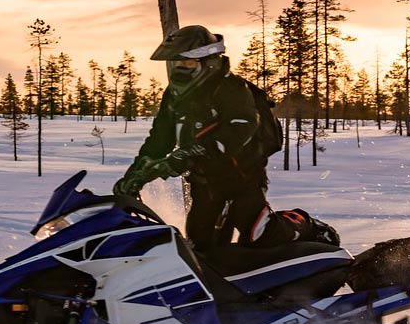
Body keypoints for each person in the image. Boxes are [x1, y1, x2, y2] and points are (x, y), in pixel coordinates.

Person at [113, 25, 338, 252]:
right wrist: (135, 176)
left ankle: (306, 224)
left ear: (208, 62)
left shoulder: (231, 88)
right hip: (203, 181)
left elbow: (241, 128)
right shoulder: (173, 96)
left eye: (188, 64)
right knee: (201, 247)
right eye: (176, 63)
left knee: (258, 234)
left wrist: (189, 154)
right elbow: (159, 140)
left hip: (242, 177)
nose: (180, 69)